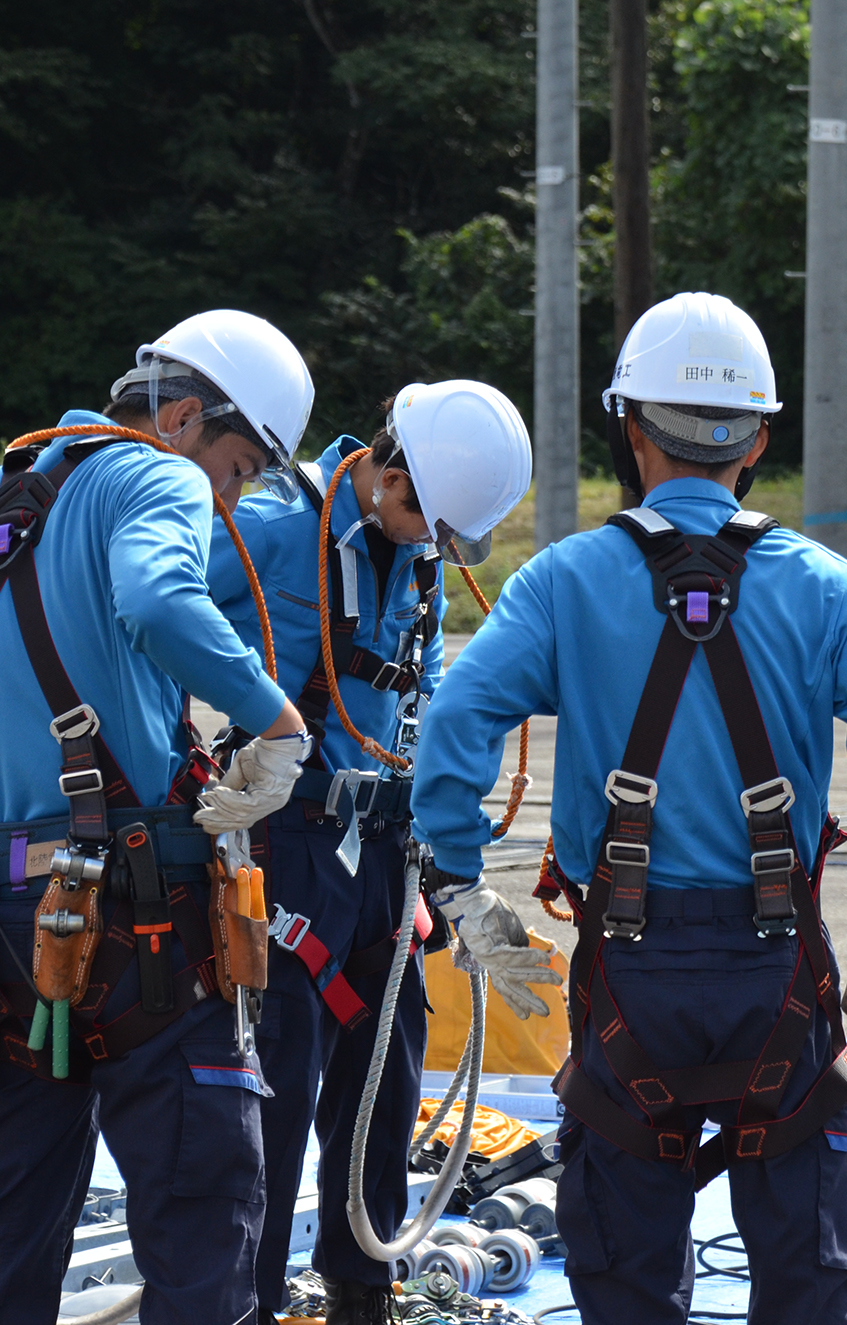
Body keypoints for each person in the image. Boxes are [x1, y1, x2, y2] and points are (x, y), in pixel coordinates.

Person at [410, 291, 847, 1325]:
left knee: (622, 1267)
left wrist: (461, 882)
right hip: (777, 963)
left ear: (628, 427)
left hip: (628, 966)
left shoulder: (563, 581)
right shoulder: (824, 585)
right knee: (802, 1264)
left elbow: (457, 721)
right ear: (757, 437)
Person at [0, 309, 317, 1323]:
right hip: (146, 919)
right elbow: (163, 600)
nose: (226, 502)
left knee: (7, 1214)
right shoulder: (151, 473)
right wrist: (277, 722)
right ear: (181, 418)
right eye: (233, 472)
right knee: (198, 1214)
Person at [208, 380, 532, 1323]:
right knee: (275, 1077)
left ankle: (362, 1282)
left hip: (385, 845)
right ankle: (248, 1298)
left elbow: (420, 691)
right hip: (290, 837)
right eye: (419, 516)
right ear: (386, 468)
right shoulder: (272, 528)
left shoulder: (416, 553)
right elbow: (161, 619)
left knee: (387, 1068)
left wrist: (438, 842)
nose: (429, 538)